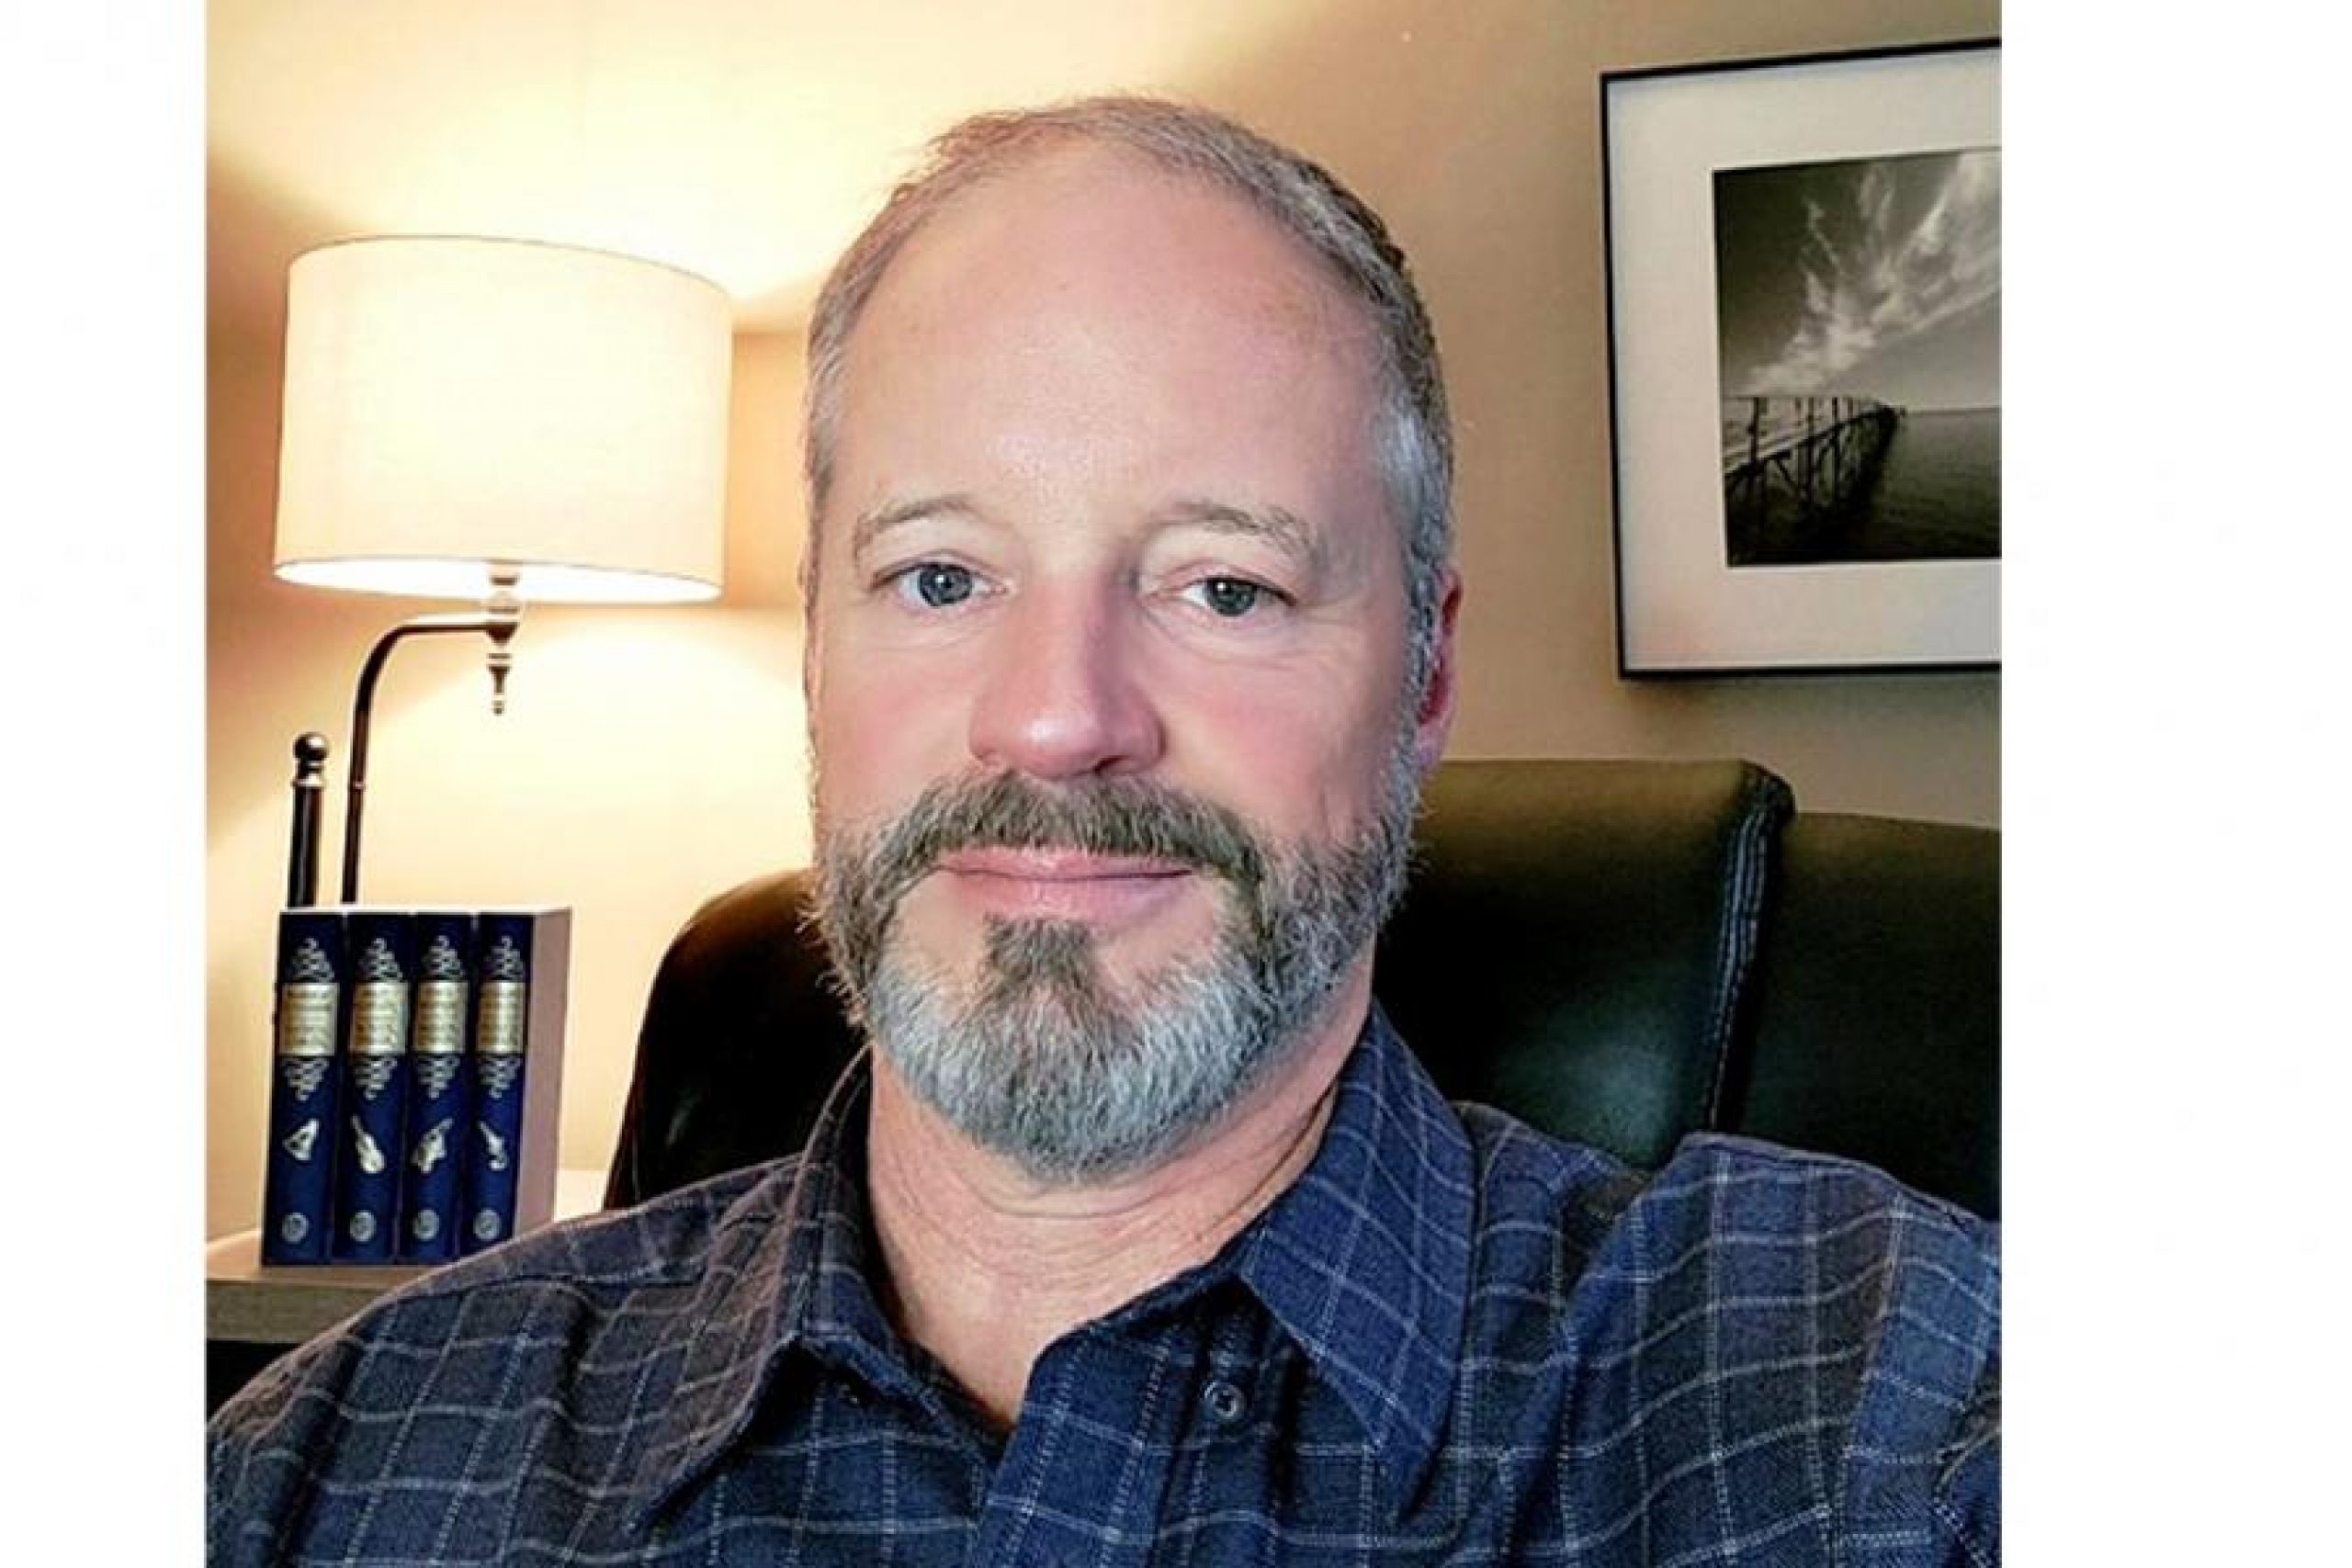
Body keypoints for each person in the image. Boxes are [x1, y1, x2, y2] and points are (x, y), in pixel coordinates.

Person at [209, 96, 1998, 1565]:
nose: (1057, 714)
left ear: (1424, 669)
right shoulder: (336, 1469)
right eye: (937, 574)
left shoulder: (1868, 1401)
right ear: (819, 661)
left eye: (1221, 584)